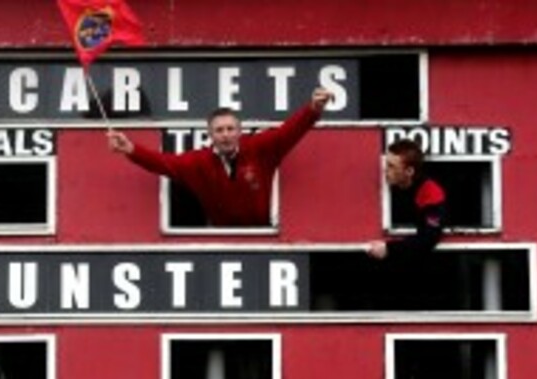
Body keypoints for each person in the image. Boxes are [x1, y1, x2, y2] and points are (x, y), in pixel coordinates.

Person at [107, 88, 334, 227]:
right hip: (222, 237)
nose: (225, 135)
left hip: (263, 235)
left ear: (239, 131)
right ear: (210, 135)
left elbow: (290, 131)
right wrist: (131, 149)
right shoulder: (198, 162)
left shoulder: (260, 148)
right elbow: (163, 163)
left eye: (230, 129)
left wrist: (313, 108)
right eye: (219, 130)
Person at [367, 138, 446, 260]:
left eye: (391, 166)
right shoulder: (388, 188)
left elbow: (429, 236)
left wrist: (389, 249)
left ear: (409, 171)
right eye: (386, 164)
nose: (385, 170)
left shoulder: (430, 191)